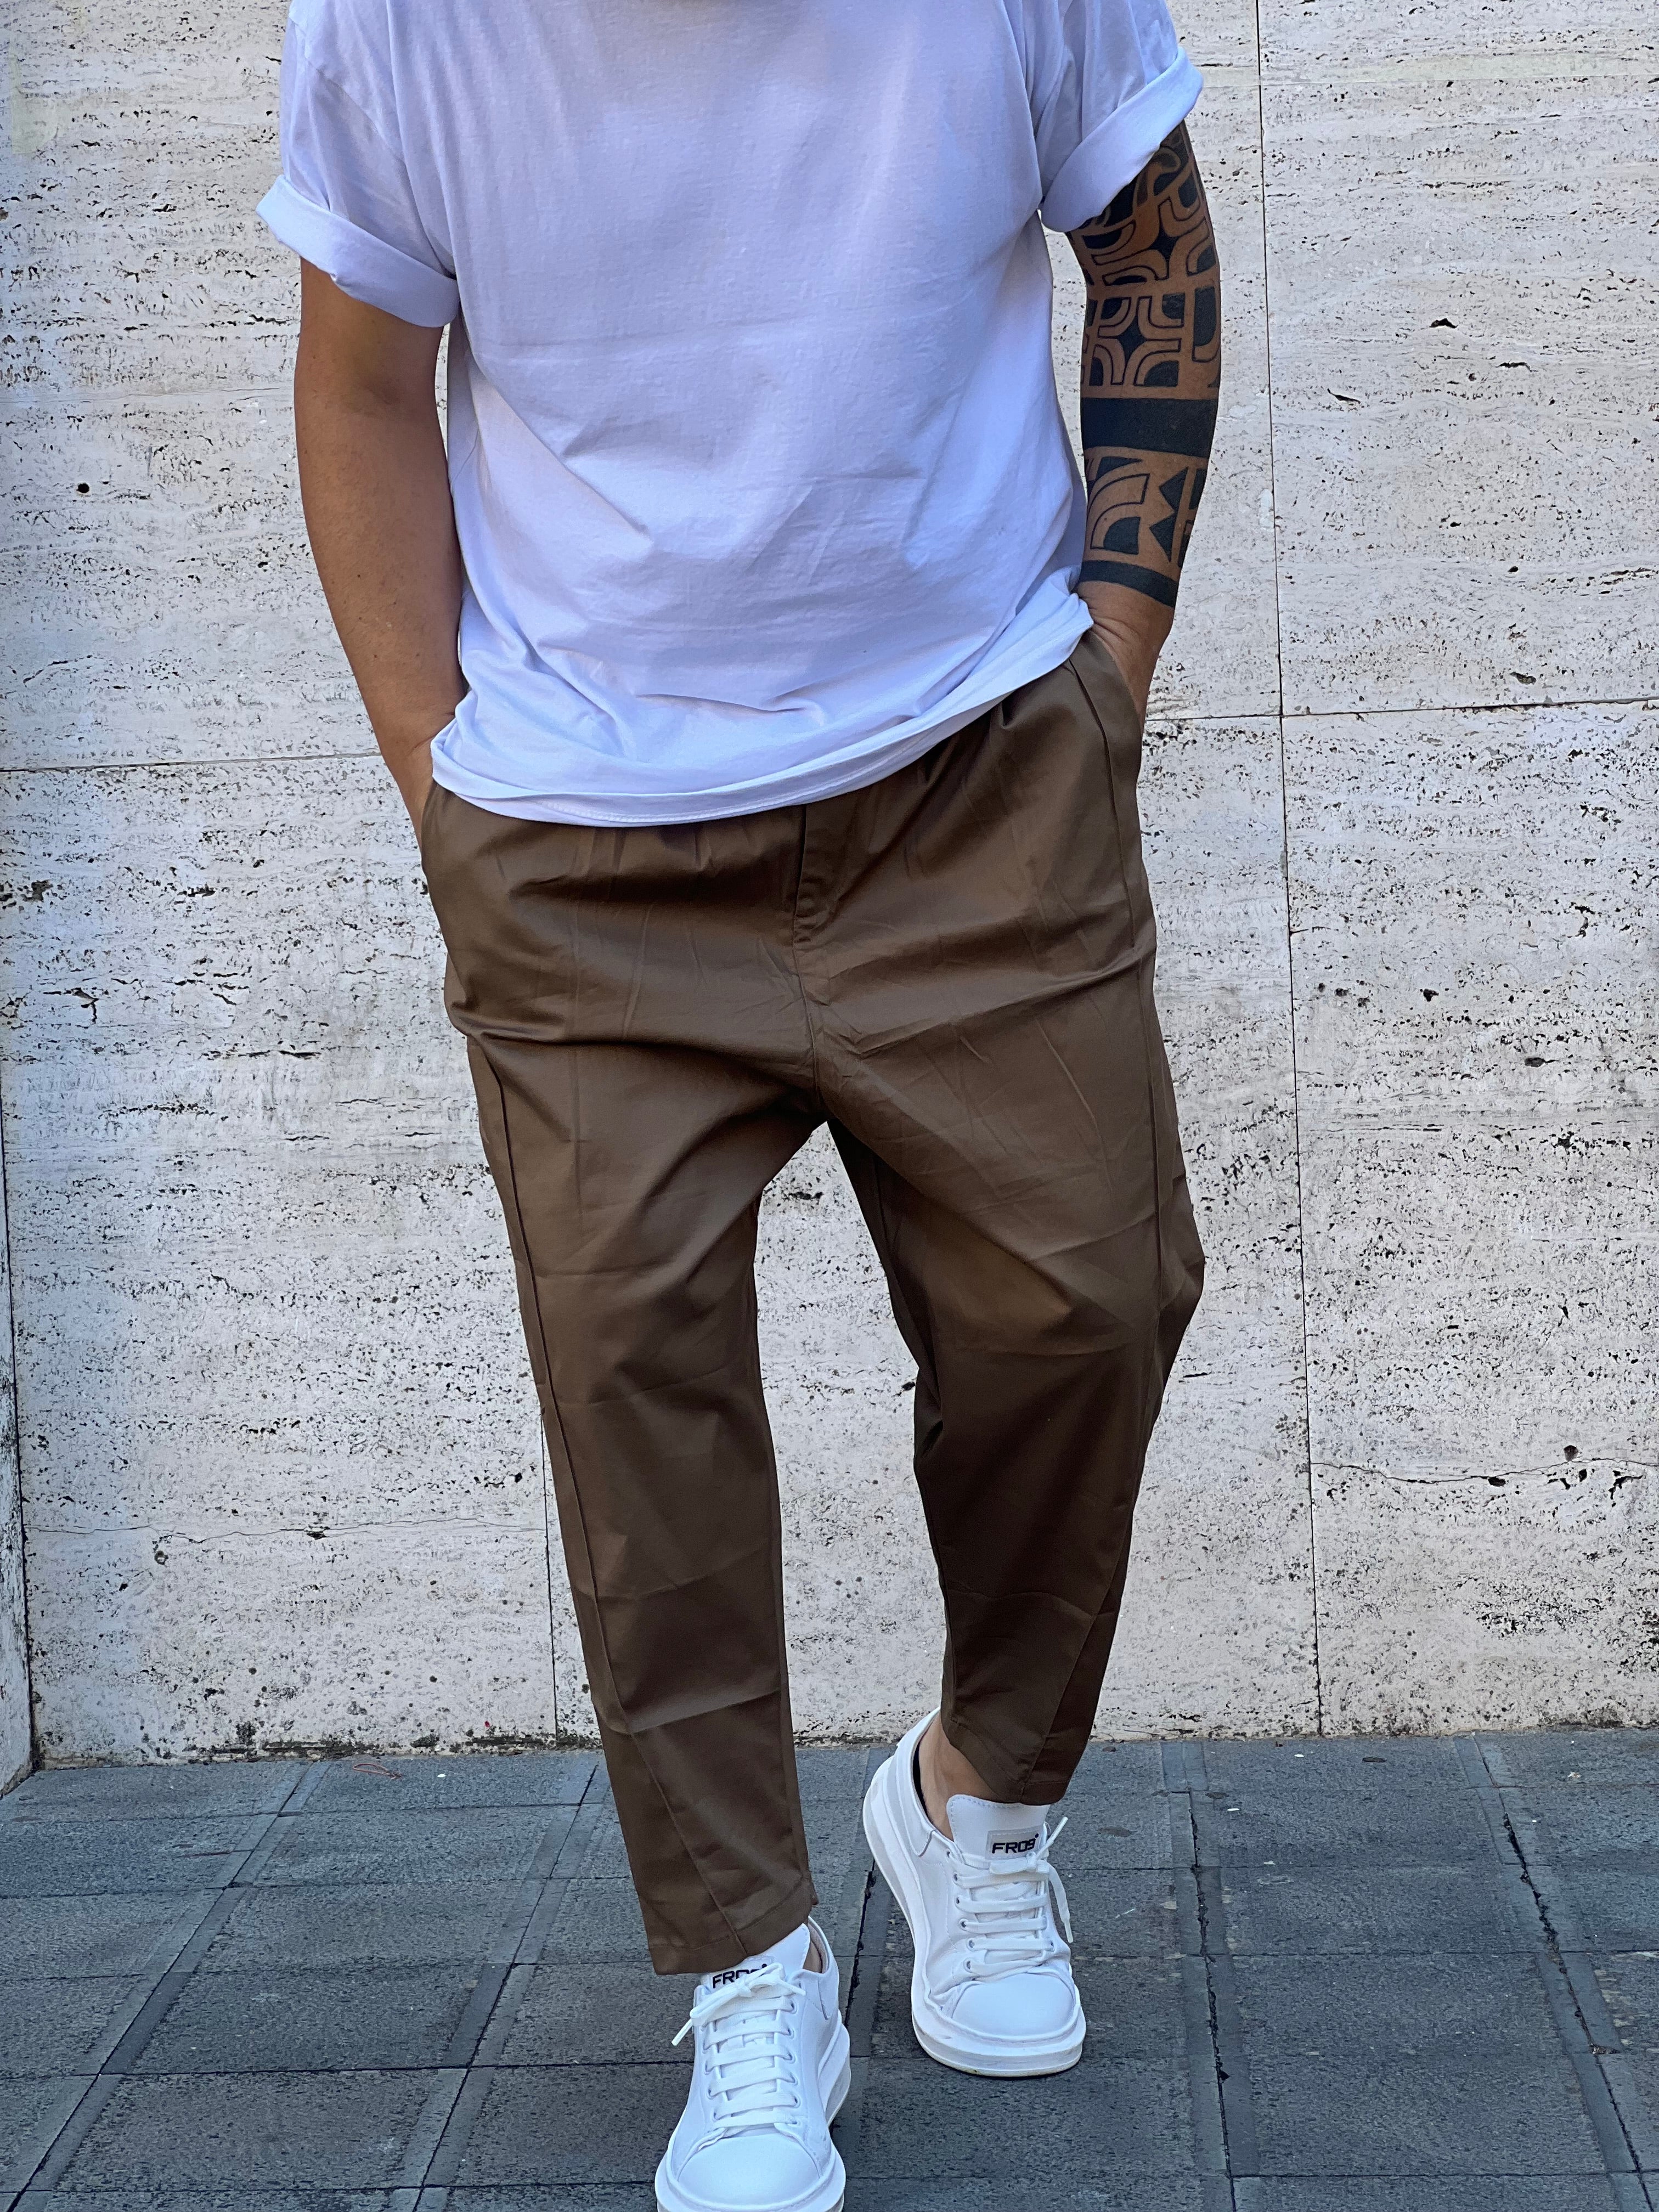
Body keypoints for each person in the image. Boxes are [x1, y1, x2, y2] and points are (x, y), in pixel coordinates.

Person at [261, 1, 1218, 2202]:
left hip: (979, 774)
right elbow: (362, 386)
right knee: (635, 1391)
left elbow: (1153, 244)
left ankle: (977, 1804)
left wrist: (1110, 669)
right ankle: (749, 1966)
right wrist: (443, 793)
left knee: (1088, 1302)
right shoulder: (400, 23)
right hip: (581, 829)